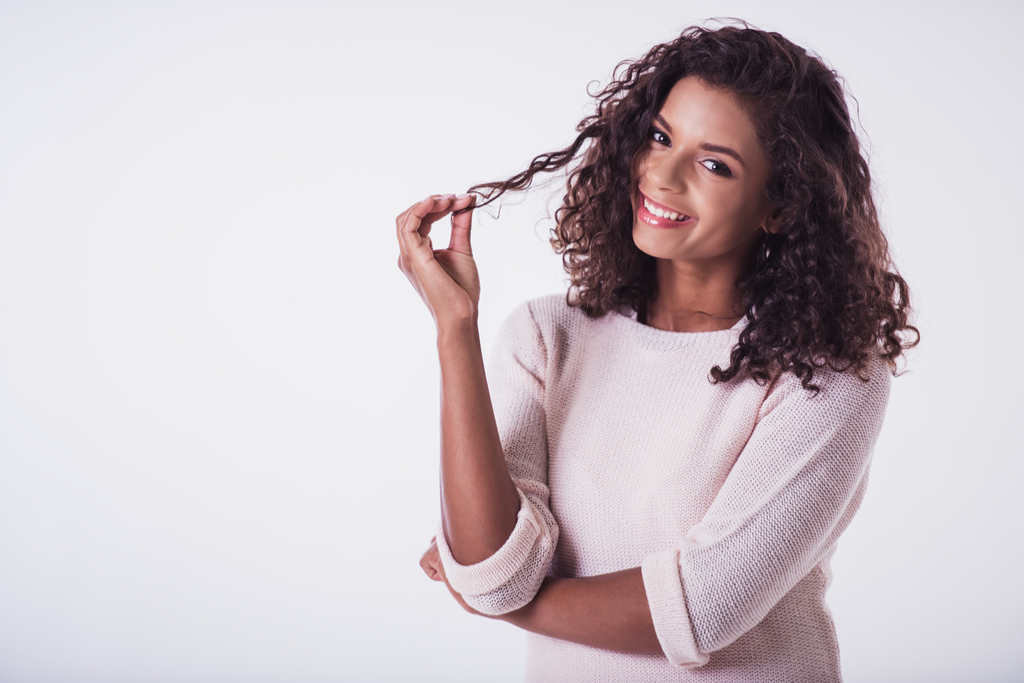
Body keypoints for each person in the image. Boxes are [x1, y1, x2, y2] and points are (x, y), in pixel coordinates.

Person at [395, 23, 918, 683]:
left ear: (779, 206)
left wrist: (494, 594)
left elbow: (702, 607)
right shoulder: (546, 337)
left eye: (714, 163)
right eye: (661, 136)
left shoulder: (828, 372)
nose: (662, 174)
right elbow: (495, 561)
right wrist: (455, 326)